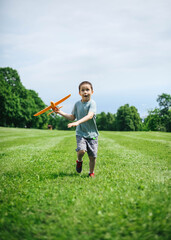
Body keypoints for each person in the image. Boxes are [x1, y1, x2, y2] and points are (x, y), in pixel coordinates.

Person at [54, 81, 99, 177]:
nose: (85, 92)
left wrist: (78, 122)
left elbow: (90, 116)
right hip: (80, 133)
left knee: (92, 156)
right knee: (81, 151)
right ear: (79, 93)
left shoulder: (92, 103)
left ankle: (91, 173)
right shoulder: (77, 104)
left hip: (92, 134)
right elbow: (72, 117)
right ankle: (79, 161)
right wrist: (59, 112)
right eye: (83, 90)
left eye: (87, 89)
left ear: (92, 92)